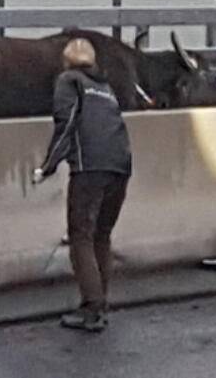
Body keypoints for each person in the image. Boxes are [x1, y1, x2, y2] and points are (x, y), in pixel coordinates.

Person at [32, 37, 132, 331]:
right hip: (121, 167)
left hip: (90, 168)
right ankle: (100, 302)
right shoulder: (105, 87)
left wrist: (48, 166)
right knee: (102, 235)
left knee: (81, 236)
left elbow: (67, 123)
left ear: (66, 61)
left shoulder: (69, 81)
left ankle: (91, 307)